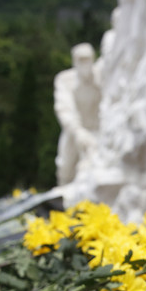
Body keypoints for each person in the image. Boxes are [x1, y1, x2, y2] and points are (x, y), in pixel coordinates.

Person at [53, 43, 102, 186]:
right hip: (74, 131)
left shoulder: (101, 77)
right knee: (65, 168)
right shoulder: (65, 80)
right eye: (81, 60)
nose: (84, 63)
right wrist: (78, 131)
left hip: (99, 131)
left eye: (87, 59)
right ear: (74, 61)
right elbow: (64, 108)